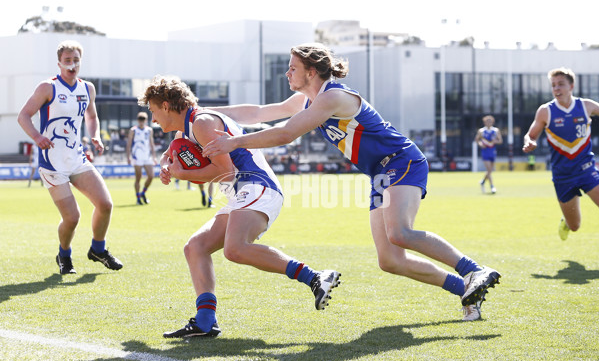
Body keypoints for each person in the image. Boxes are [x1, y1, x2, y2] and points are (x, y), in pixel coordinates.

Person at [203, 43, 501, 321]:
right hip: (380, 173)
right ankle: (464, 290)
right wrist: (205, 113)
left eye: (293, 67)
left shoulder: (332, 97)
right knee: (390, 260)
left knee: (399, 232)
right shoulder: (306, 100)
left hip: (401, 159)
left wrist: (234, 142)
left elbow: (285, 134)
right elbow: (258, 113)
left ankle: (474, 270)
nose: (287, 73)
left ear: (311, 71)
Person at [138, 75, 340, 338]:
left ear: (166, 106)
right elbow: (172, 149)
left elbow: (227, 171)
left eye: (153, 111)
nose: (153, 119)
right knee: (195, 247)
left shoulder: (202, 123)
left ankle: (315, 277)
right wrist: (167, 164)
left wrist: (182, 174)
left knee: (235, 249)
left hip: (256, 186)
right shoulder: (188, 126)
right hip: (242, 193)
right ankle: (205, 321)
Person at [17, 40, 123, 275]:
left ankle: (98, 249)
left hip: (77, 158)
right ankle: (64, 255)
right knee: (73, 217)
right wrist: (36, 137)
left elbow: (92, 117)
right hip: (52, 163)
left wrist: (95, 136)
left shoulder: (88, 89)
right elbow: (23, 116)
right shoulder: (48, 87)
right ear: (59, 63)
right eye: (67, 61)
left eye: (76, 60)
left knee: (105, 204)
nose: (72, 65)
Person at [523, 67, 599, 240]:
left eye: (561, 84)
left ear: (571, 86)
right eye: (553, 85)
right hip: (562, 175)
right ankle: (566, 222)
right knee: (574, 226)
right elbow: (531, 135)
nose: (556, 89)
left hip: (586, 169)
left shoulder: (586, 105)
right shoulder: (546, 111)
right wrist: (530, 142)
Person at [126, 112, 157, 205]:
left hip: (147, 156)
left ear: (146, 120)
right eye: (140, 119)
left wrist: (154, 156)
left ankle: (143, 193)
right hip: (137, 156)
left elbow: (151, 143)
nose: (141, 121)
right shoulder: (133, 130)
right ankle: (138, 198)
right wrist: (128, 156)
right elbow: (129, 144)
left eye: (143, 119)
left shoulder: (149, 130)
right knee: (138, 178)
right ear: (137, 120)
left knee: (151, 176)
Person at [475, 115, 502, 194]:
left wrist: (494, 141)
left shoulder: (496, 130)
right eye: (487, 121)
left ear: (492, 122)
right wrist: (481, 144)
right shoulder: (481, 131)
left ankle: (483, 181)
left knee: (490, 170)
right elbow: (477, 140)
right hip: (485, 151)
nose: (489, 122)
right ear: (484, 122)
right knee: (489, 169)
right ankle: (492, 186)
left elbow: (500, 141)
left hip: (492, 151)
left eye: (490, 121)